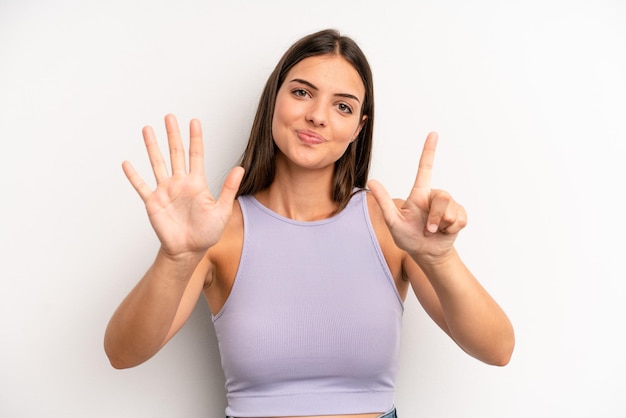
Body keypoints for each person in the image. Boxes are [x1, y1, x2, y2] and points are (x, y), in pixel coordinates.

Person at [104, 29, 515, 418]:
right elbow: (123, 354)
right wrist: (176, 258)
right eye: (302, 92)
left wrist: (440, 259)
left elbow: (497, 349)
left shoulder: (394, 222)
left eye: (342, 106)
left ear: (359, 128)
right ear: (274, 101)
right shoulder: (216, 228)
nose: (318, 116)